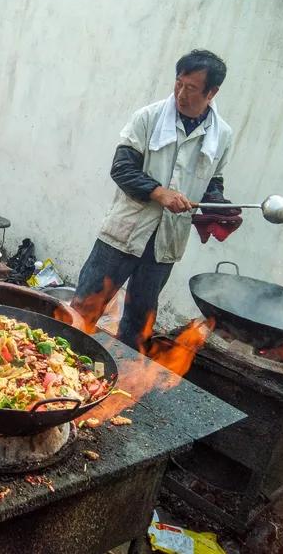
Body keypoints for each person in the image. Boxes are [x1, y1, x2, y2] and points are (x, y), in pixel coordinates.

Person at [72, 50, 238, 351]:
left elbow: (214, 179)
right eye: (178, 84)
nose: (181, 94)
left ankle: (125, 383)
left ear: (212, 92)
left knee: (139, 321)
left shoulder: (222, 135)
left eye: (191, 88)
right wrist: (160, 193)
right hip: (125, 231)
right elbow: (121, 168)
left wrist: (217, 203)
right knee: (85, 307)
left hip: (167, 242)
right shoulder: (148, 117)